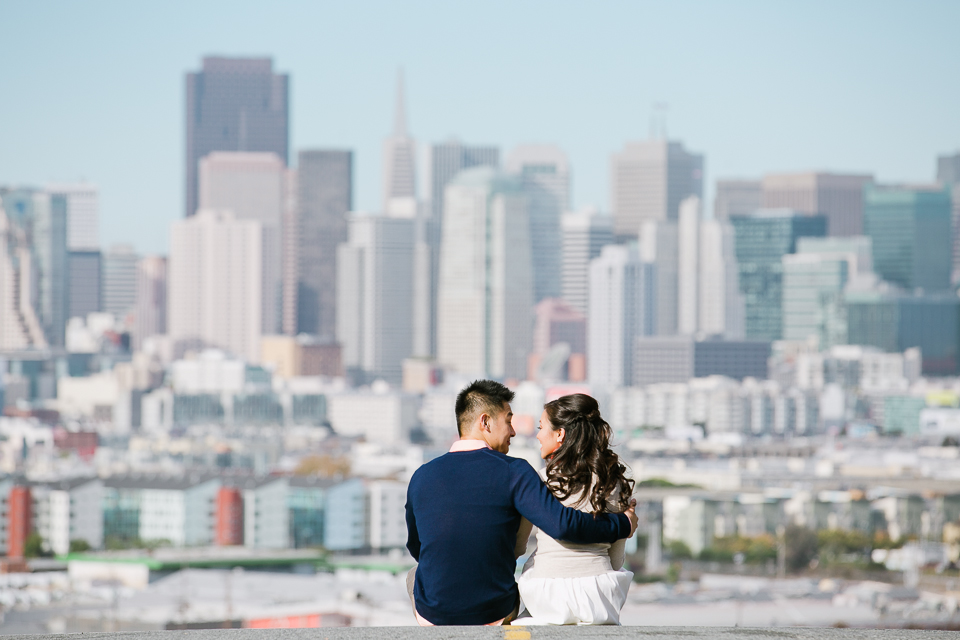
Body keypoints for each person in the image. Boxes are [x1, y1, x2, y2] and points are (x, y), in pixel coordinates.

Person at [405, 380, 638, 626]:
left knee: (413, 575)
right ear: (485, 422)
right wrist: (623, 523)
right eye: (508, 421)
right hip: (495, 612)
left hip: (434, 615)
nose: (514, 431)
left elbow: (416, 547)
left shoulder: (421, 475)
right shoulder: (514, 471)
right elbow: (561, 525)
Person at [516, 393, 636, 625]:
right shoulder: (613, 481)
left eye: (541, 427)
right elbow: (616, 560)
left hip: (546, 593)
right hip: (598, 596)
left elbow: (519, 546)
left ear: (559, 434)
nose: (538, 435)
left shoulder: (540, 481)